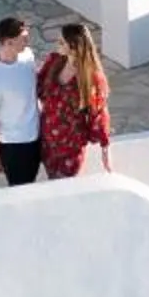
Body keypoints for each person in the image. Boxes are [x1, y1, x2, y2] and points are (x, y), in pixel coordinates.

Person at [37, 20, 113, 179]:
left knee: (65, 189)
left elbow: (99, 113)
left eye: (61, 42)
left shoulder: (92, 78)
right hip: (48, 141)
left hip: (71, 146)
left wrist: (105, 149)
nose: (57, 44)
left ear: (73, 46)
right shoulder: (54, 62)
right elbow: (38, 87)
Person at [0, 14, 42, 184]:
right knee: (21, 190)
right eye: (23, 39)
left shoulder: (27, 55)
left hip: (37, 136)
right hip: (14, 147)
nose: (27, 42)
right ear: (8, 42)